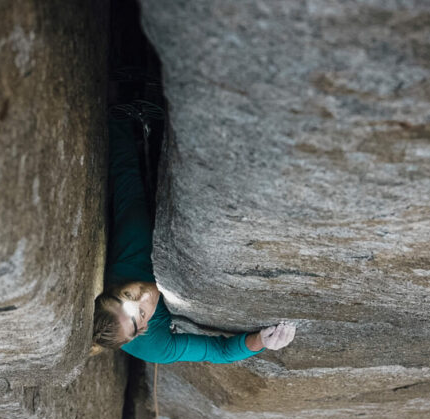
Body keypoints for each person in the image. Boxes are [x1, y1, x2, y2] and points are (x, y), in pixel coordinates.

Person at [92, 115, 295, 364]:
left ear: (115, 286)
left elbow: (126, 182)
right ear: (142, 329)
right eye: (142, 312)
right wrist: (261, 341)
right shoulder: (155, 347)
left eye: (129, 294)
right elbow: (218, 351)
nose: (145, 295)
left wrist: (118, 117)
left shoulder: (130, 252)